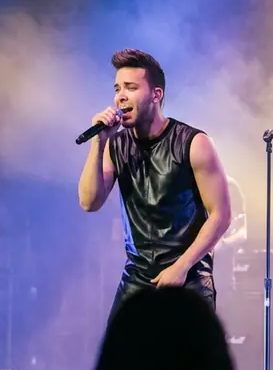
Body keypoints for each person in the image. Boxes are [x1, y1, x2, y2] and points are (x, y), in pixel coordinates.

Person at [78, 49, 232, 317]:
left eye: (131, 87)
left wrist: (181, 267)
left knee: (186, 360)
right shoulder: (115, 145)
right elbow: (89, 202)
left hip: (189, 277)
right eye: (117, 89)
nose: (120, 96)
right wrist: (99, 142)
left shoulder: (193, 143)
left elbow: (221, 215)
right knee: (120, 358)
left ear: (156, 95)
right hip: (138, 277)